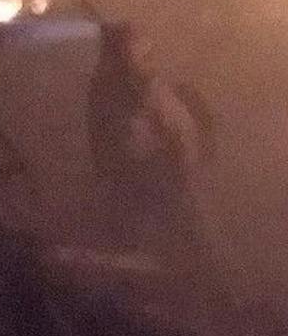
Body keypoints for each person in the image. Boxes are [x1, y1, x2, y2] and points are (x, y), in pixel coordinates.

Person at [86, 20, 218, 277]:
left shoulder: (151, 88)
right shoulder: (114, 93)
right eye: (139, 48)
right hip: (143, 187)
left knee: (193, 244)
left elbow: (179, 134)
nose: (149, 53)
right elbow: (125, 145)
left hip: (167, 184)